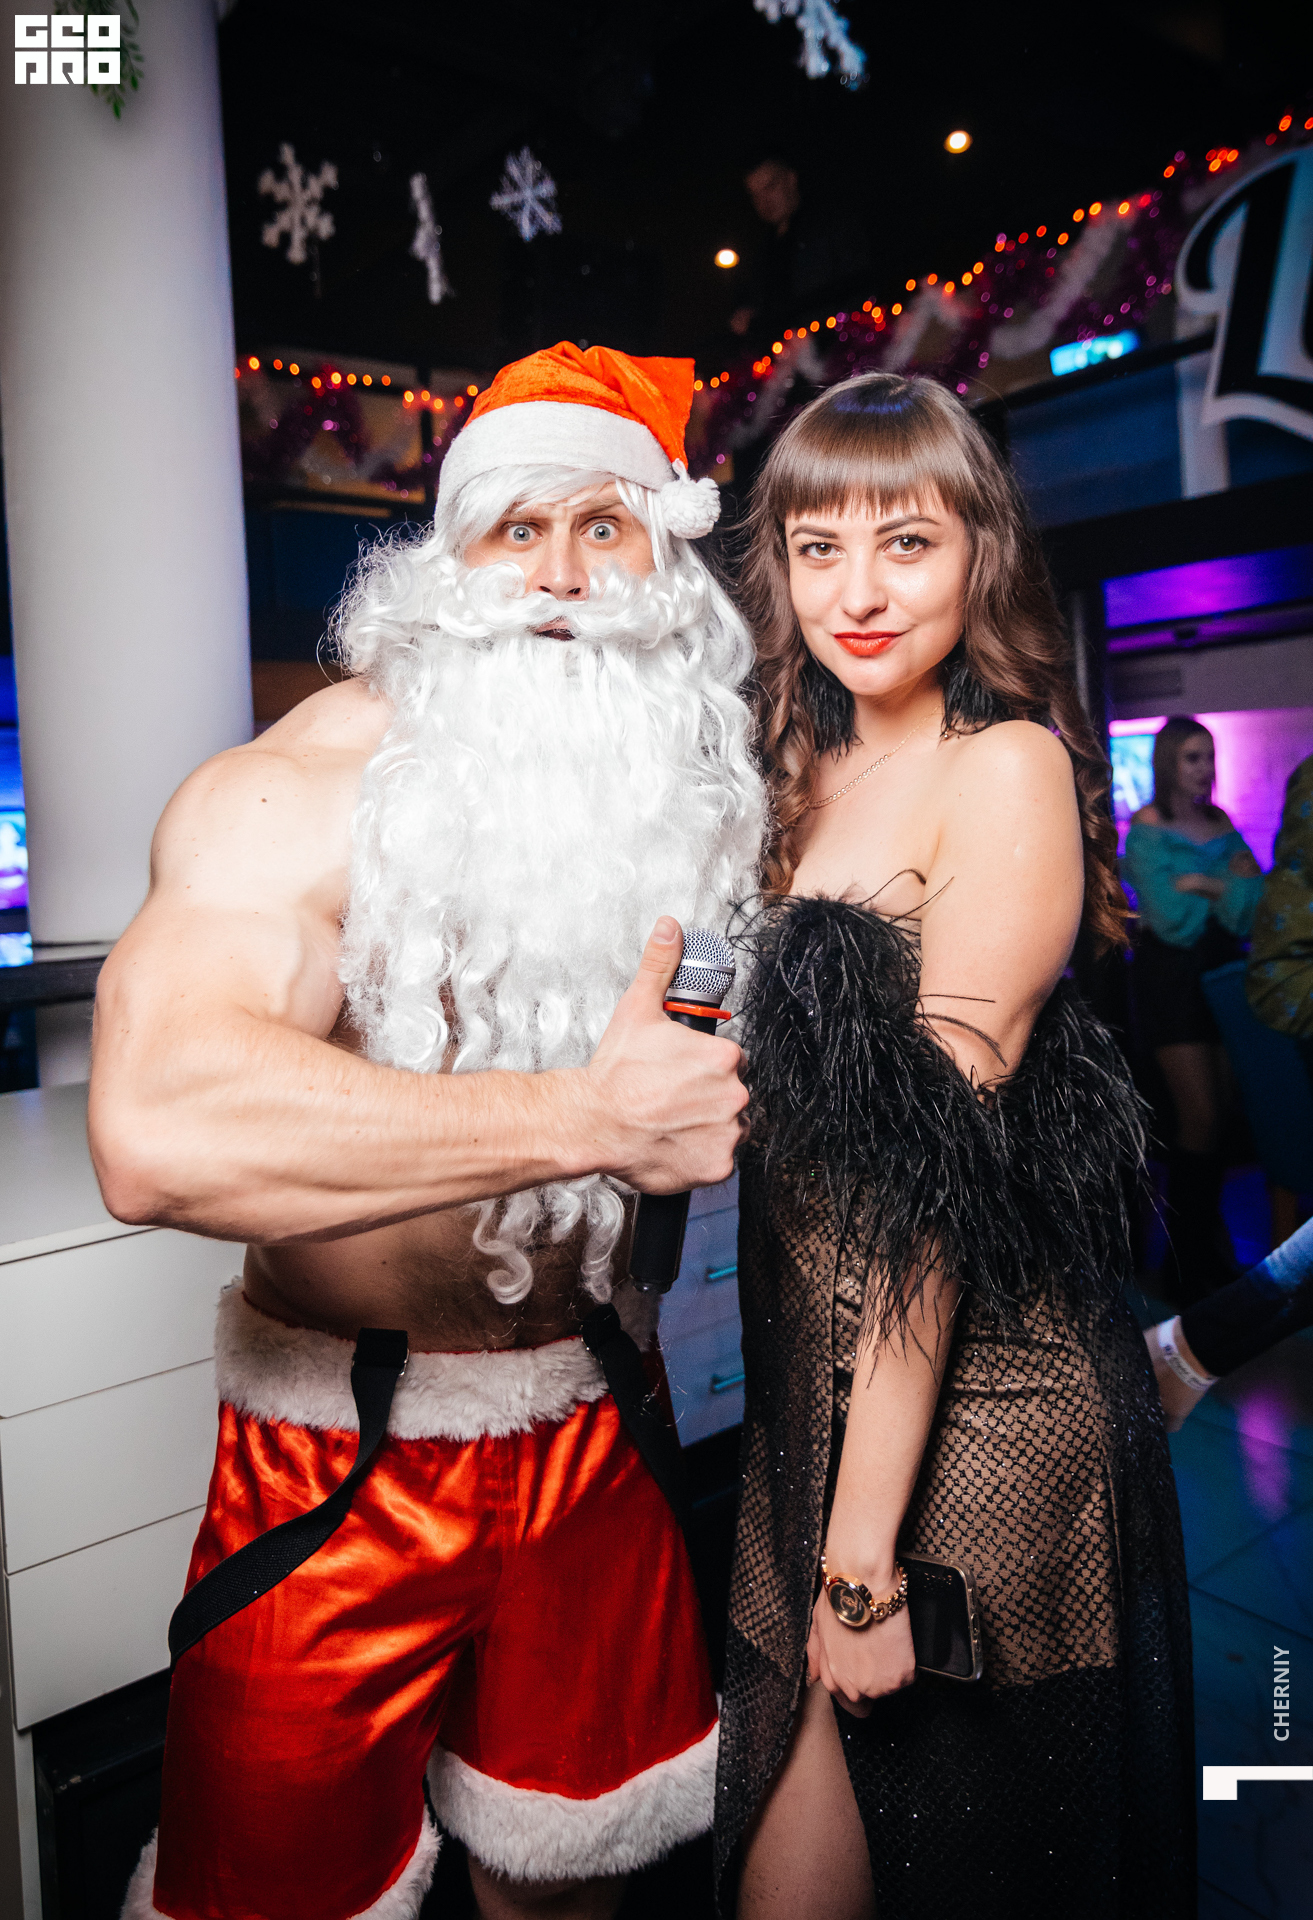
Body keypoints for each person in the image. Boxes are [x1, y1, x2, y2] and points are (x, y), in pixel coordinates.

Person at [89, 343, 766, 1920]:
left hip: (595, 1426)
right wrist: (584, 1114)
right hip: (341, 1458)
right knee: (278, 1900)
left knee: (571, 1876)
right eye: (518, 529)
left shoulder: (684, 804)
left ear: (661, 564)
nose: (563, 576)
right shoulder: (299, 790)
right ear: (445, 566)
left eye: (605, 527)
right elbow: (154, 1123)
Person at [713, 373, 1194, 1919]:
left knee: (976, 1870)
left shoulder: (1006, 767)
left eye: (905, 543)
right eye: (818, 548)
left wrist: (861, 1563)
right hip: (806, 1398)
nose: (857, 593)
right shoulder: (793, 775)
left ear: (978, 551)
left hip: (980, 1415)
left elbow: (930, 1194)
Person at [1123, 718, 1264, 1298]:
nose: (1204, 769)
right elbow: (1168, 918)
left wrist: (1200, 885)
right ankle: (1182, 1268)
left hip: (1225, 975)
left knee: (1223, 1114)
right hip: (1173, 981)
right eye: (1191, 758)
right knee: (1198, 1115)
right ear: (1167, 763)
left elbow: (1254, 907)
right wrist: (1225, 883)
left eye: (1208, 756)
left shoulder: (1221, 823)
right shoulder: (1147, 827)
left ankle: (1208, 1254)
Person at [728, 156, 871, 342]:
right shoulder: (760, 254)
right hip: (784, 353)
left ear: (791, 178)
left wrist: (847, 339)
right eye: (755, 195)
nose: (764, 201)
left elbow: (860, 286)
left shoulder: (831, 225)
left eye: (770, 186)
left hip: (834, 345)